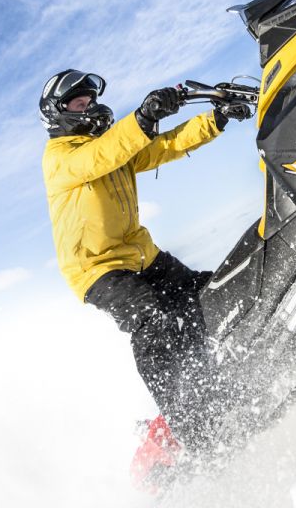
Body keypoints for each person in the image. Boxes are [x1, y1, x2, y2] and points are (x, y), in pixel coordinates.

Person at [39, 68, 252, 449]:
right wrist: (142, 118)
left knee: (205, 294)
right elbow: (101, 156)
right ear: (59, 113)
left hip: (142, 255)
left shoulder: (108, 146)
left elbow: (161, 147)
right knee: (155, 323)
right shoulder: (60, 157)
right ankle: (196, 431)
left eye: (92, 101)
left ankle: (217, 383)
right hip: (98, 270)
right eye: (81, 103)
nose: (91, 108)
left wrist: (214, 119)